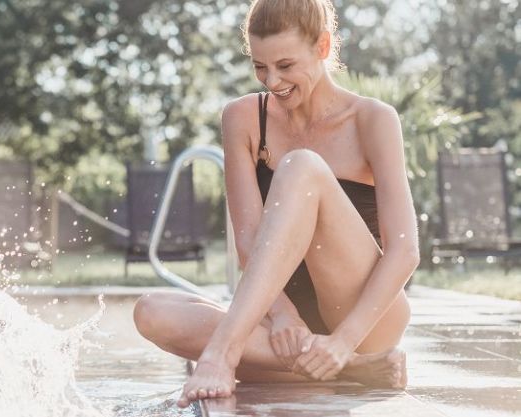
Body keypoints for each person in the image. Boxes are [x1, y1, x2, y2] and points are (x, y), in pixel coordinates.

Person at [132, 0, 418, 407]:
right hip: (280, 323)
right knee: (152, 311)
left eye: (285, 65)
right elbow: (248, 241)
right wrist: (282, 315)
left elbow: (405, 250)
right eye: (260, 67)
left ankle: (227, 353)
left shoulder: (373, 119)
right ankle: (354, 368)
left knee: (300, 167)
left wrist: (344, 340)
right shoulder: (243, 118)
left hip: (363, 319)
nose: (272, 81)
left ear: (322, 47)